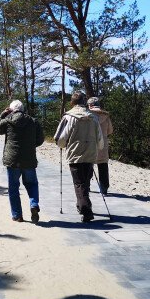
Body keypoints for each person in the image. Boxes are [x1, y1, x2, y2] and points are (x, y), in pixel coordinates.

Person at [55, 91, 103, 222]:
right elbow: (99, 137)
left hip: (75, 153)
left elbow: (60, 139)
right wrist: (99, 147)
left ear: (72, 102)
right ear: (84, 102)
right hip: (91, 153)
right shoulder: (93, 117)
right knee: (85, 182)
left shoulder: (69, 117)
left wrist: (61, 145)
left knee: (78, 183)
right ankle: (81, 205)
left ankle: (86, 210)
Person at [0, 100, 44, 223]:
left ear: (11, 110)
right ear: (23, 109)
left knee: (13, 188)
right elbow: (40, 139)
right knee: (32, 184)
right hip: (29, 159)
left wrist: (3, 115)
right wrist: (31, 146)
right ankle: (33, 204)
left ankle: (17, 215)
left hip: (12, 160)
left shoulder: (8, 120)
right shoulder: (33, 121)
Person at [88, 96, 112, 195]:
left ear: (90, 105)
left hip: (90, 145)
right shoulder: (106, 116)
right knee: (103, 167)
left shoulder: (87, 115)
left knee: (88, 166)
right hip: (103, 146)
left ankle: (87, 186)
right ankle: (104, 189)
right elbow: (110, 130)